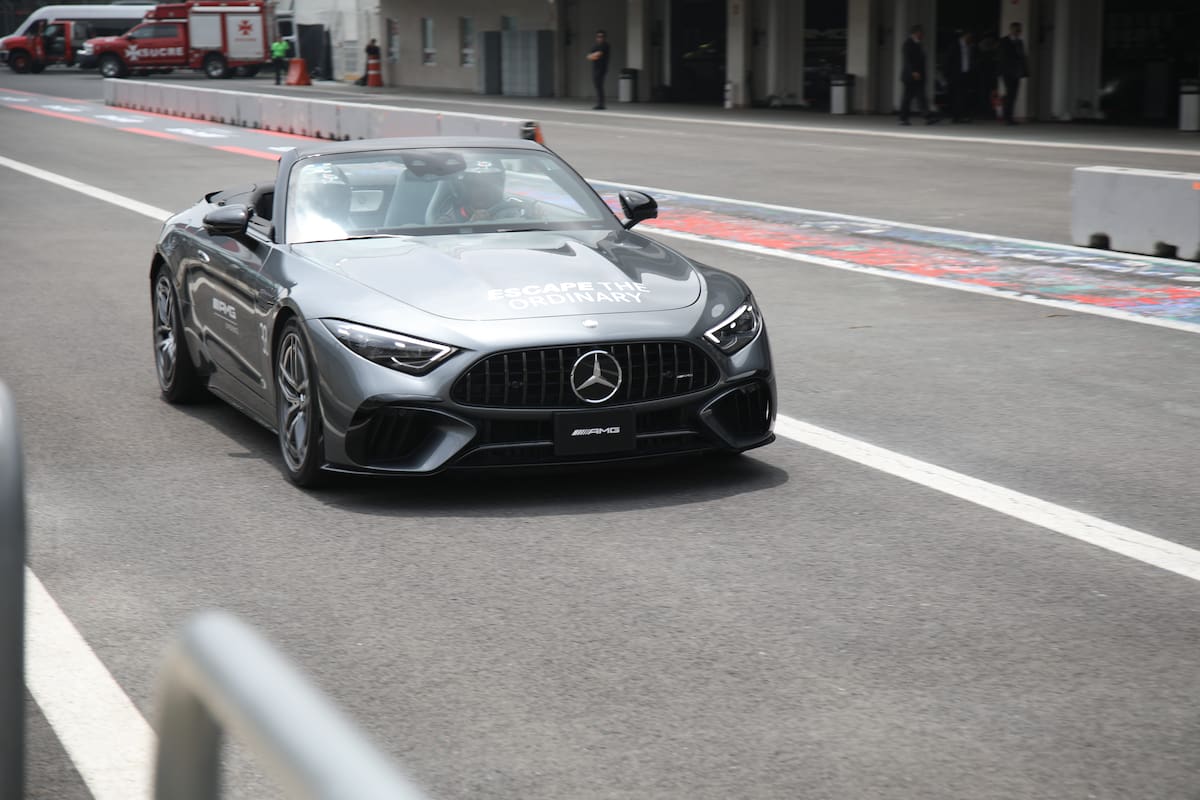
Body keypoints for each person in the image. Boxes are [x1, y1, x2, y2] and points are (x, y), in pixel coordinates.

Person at [291, 163, 353, 241]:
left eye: (333, 195)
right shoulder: (289, 233)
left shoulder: (355, 234)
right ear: (293, 198)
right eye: (314, 197)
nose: (326, 203)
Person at [899, 24, 937, 125]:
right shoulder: (908, 44)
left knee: (921, 96)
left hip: (919, 76)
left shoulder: (918, 44)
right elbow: (908, 60)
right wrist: (913, 72)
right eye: (920, 33)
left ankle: (927, 116)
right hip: (911, 76)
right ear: (915, 33)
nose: (922, 35)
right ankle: (903, 118)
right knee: (908, 98)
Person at [998, 22, 1029, 125]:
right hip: (1007, 71)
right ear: (1011, 30)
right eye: (1016, 30)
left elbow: (1022, 57)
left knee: (1014, 94)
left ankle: (1009, 116)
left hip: (1017, 72)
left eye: (1019, 30)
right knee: (1010, 93)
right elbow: (1002, 57)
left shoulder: (1020, 42)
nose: (1018, 32)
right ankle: (1007, 117)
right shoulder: (1004, 41)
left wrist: (1024, 70)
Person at [944, 29, 976, 122]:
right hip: (955, 75)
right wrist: (947, 74)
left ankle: (962, 115)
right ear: (964, 36)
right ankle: (956, 116)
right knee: (956, 95)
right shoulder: (954, 46)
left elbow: (971, 59)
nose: (970, 39)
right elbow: (947, 60)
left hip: (966, 74)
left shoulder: (969, 46)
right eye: (969, 37)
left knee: (964, 95)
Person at [586, 30, 610, 110]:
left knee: (599, 85)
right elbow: (589, 56)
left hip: (602, 68)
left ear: (604, 38)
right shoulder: (595, 46)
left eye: (602, 36)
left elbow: (598, 54)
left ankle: (601, 104)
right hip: (595, 68)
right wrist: (594, 56)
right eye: (598, 36)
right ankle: (600, 103)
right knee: (597, 85)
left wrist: (594, 56)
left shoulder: (605, 45)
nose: (600, 38)